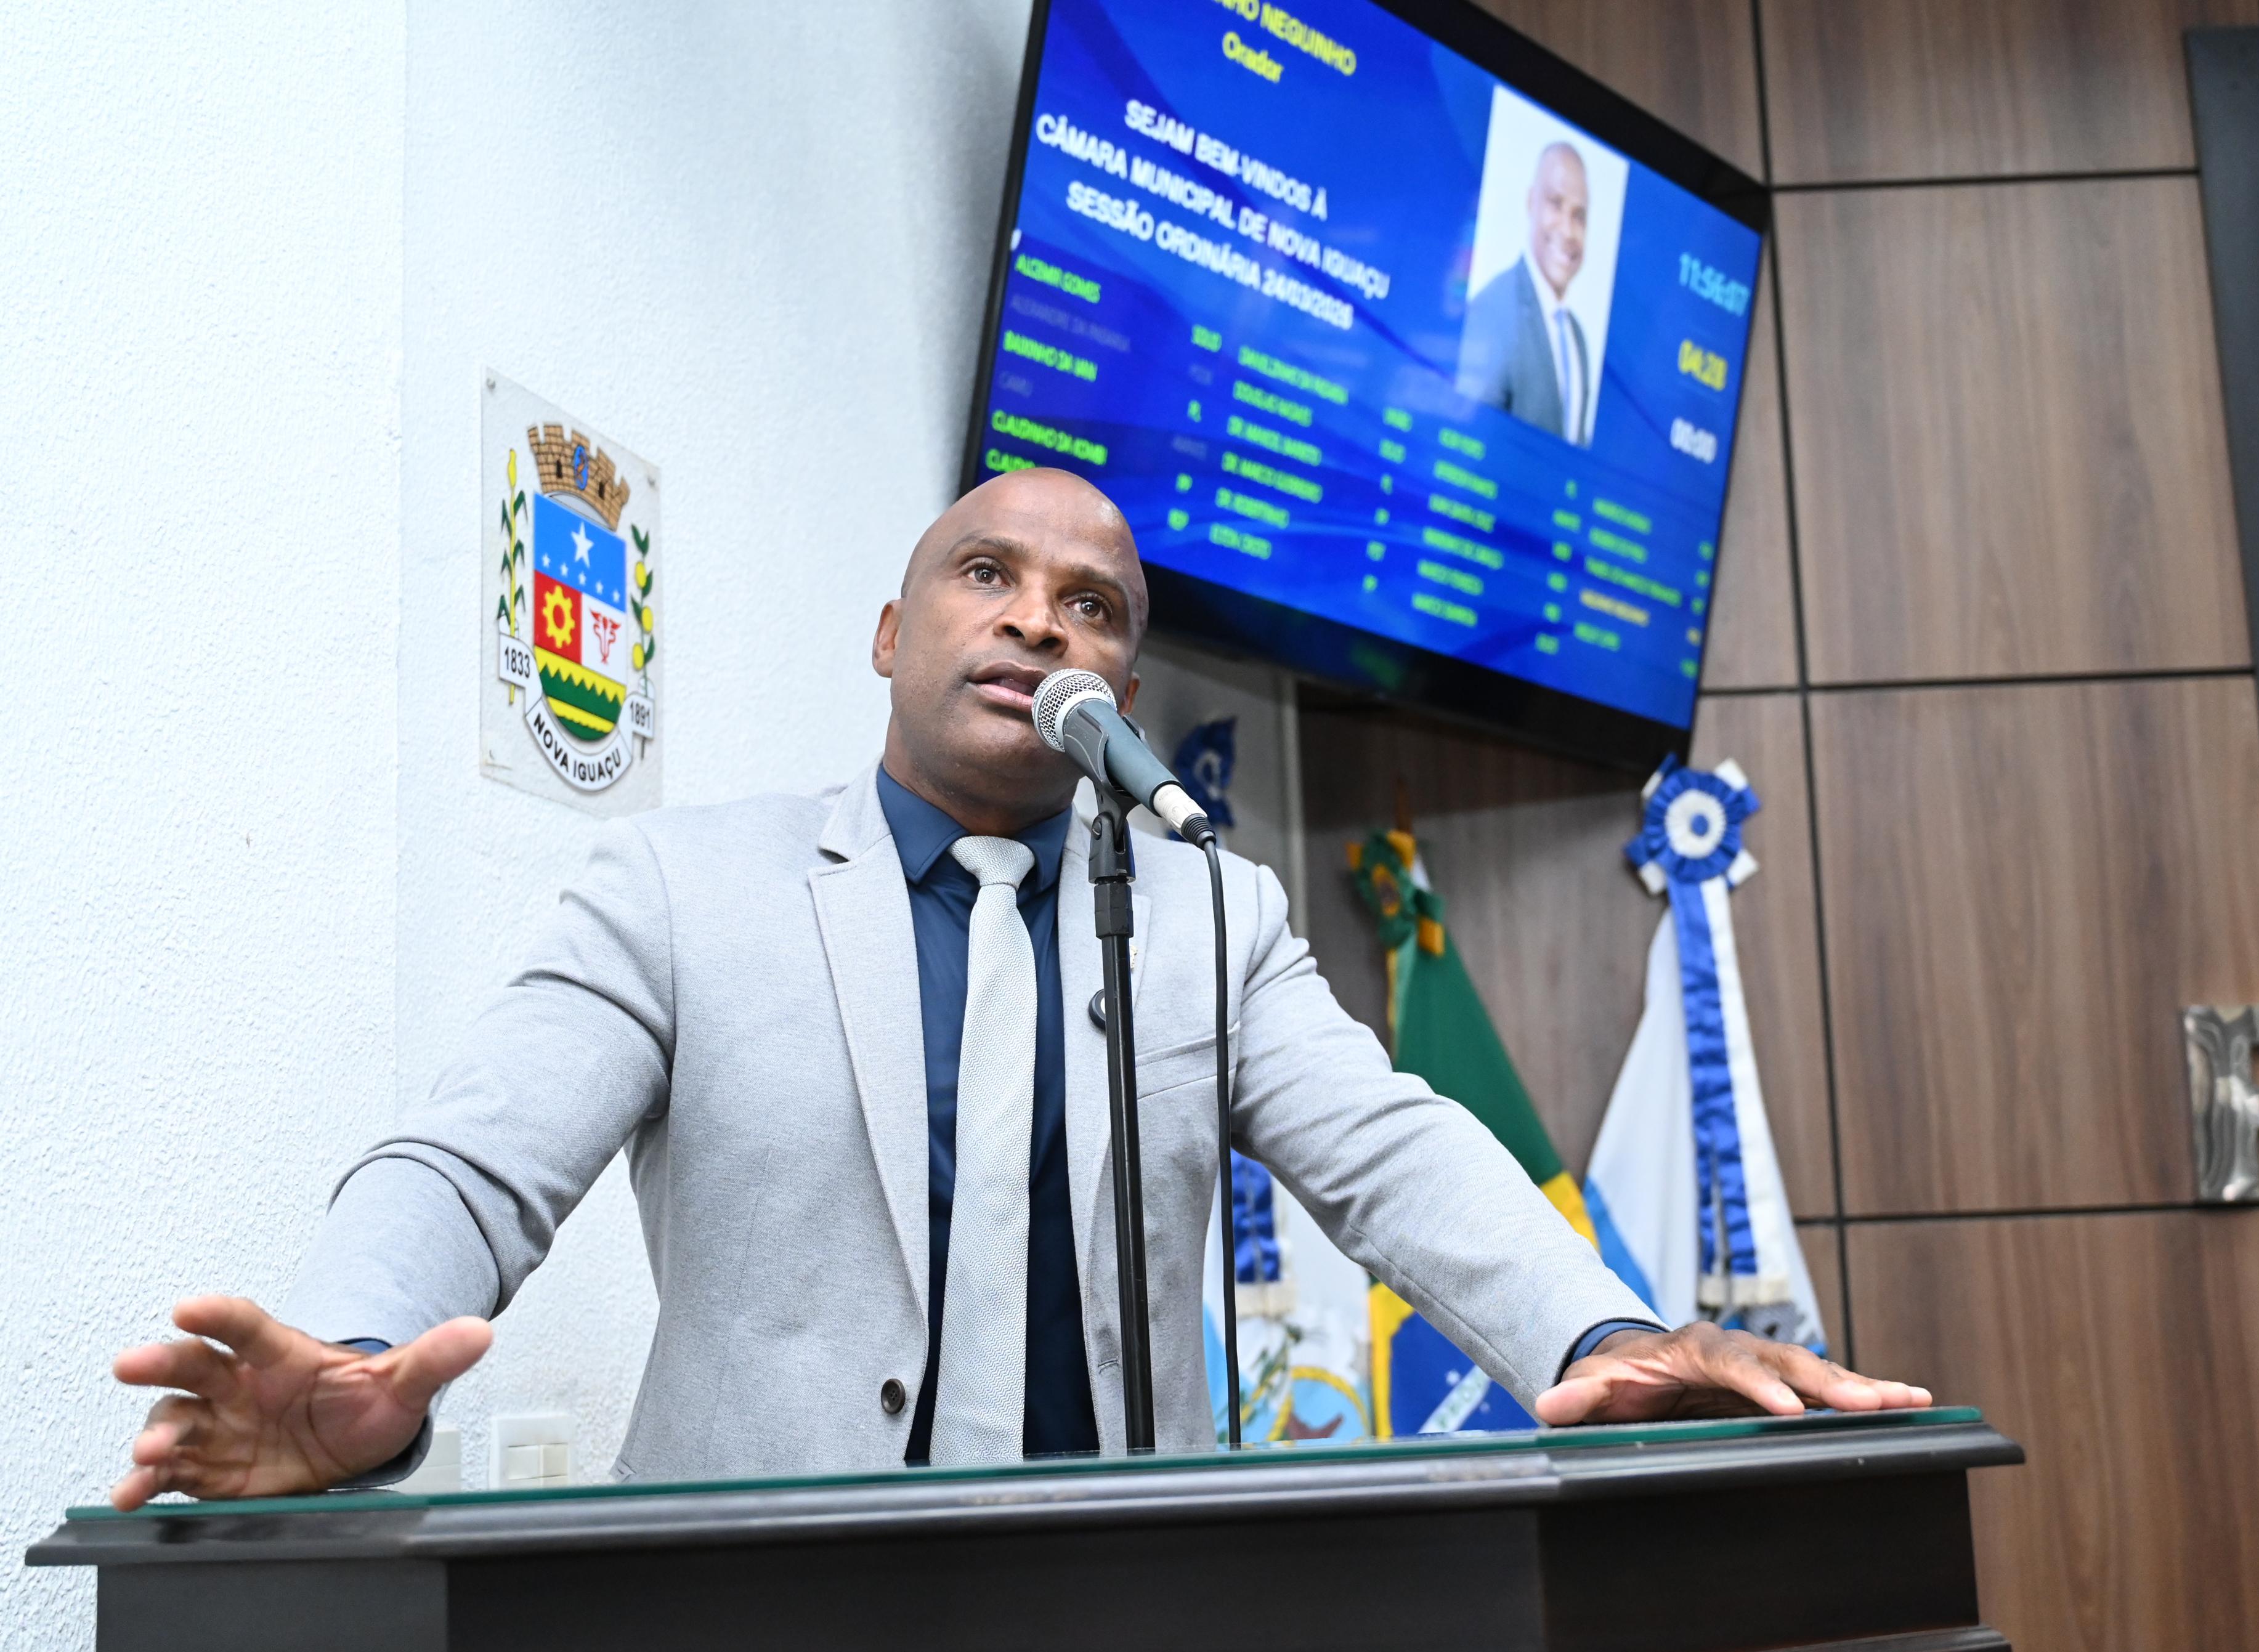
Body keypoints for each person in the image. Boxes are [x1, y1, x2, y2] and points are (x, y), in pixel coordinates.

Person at [107, 468, 1927, 1508]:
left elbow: (1394, 1152)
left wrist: (1598, 1335)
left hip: (1132, 1622)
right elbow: (470, 1163)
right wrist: (349, 1349)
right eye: (986, 575)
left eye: (1093, 605)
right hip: (750, 1624)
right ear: (892, 635)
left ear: (1116, 690)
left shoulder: (1210, 915)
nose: (1040, 617)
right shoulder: (684, 889)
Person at [1457, 142, 1597, 446]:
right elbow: (1470, 437)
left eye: (1579, 216)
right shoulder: (1492, 310)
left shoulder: (1578, 338)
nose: (1568, 231)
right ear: (1531, 202)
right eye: (1556, 204)